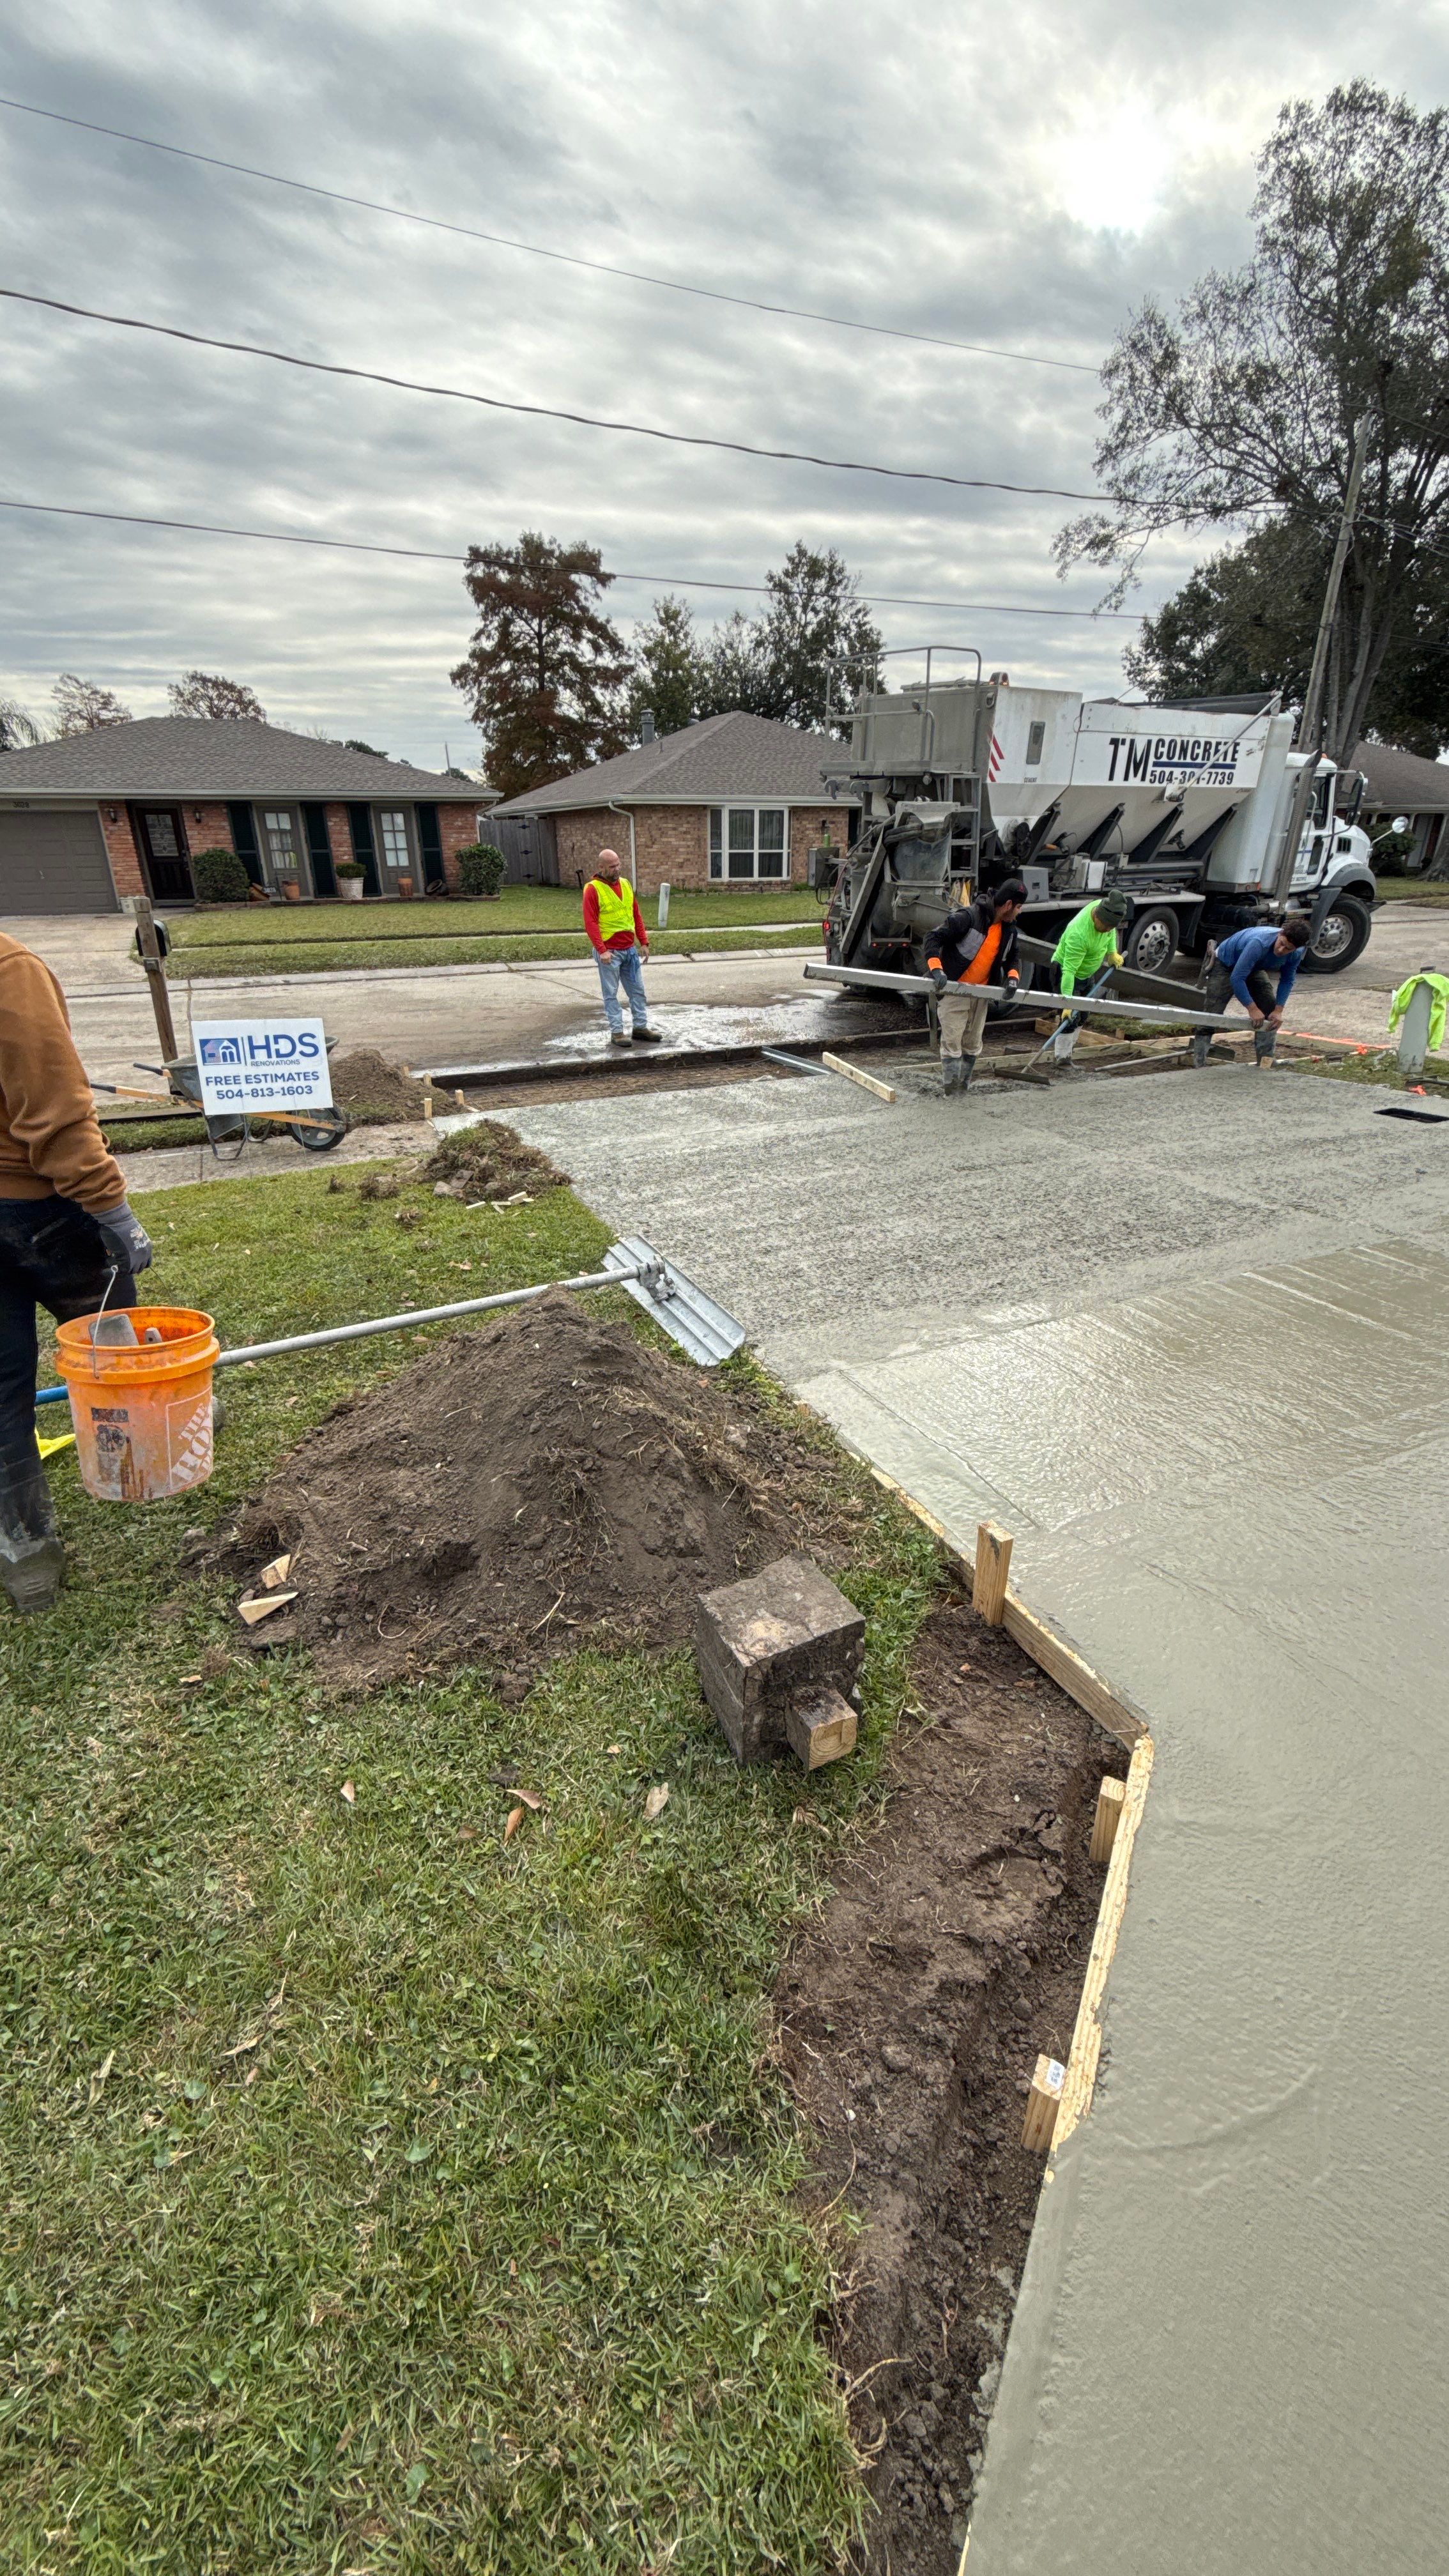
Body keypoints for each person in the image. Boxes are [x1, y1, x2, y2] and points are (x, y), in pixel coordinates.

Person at [0, 931, 154, 1612]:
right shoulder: (10, 968)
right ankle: (141, 1453)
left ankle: (24, 1552)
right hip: (37, 1209)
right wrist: (111, 1208)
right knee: (108, 1332)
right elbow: (55, 1106)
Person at [925, 877, 1027, 1095]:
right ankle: (952, 1092)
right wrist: (936, 969)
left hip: (981, 992)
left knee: (973, 1043)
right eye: (1018, 907)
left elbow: (1014, 957)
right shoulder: (969, 918)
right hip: (955, 989)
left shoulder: (1009, 930)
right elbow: (933, 938)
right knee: (952, 1041)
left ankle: (963, 1088)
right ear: (1008, 905)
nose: (1019, 912)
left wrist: (1013, 978)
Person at [1192, 916, 1312, 1066]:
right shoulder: (1259, 943)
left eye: (1288, 948)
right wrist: (1252, 1008)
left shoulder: (1296, 953)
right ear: (1280, 933)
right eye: (1281, 943)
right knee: (1212, 1011)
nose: (1281, 950)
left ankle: (1265, 1062)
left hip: (1254, 968)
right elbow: (1237, 978)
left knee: (1269, 1008)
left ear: (1297, 948)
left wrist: (1279, 1010)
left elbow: (1287, 980)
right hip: (1225, 964)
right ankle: (1199, 1062)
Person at [582, 848, 662, 1048]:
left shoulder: (626, 884)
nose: (617, 869)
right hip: (610, 953)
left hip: (629, 950)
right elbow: (591, 923)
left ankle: (640, 1028)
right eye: (612, 866)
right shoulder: (593, 889)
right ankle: (617, 1032)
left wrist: (643, 942)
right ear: (601, 868)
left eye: (618, 864)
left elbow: (635, 914)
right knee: (611, 994)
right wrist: (602, 950)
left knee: (638, 991)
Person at [1049, 890, 1133, 1071]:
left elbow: (1110, 934)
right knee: (1069, 1017)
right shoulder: (1078, 934)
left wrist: (1112, 953)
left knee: (1083, 1015)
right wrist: (1067, 1001)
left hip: (1087, 973)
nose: (1107, 930)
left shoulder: (1106, 913)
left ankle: (1068, 1054)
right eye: (1105, 926)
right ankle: (1061, 1060)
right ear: (1097, 917)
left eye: (1111, 927)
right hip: (1066, 974)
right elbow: (1069, 971)